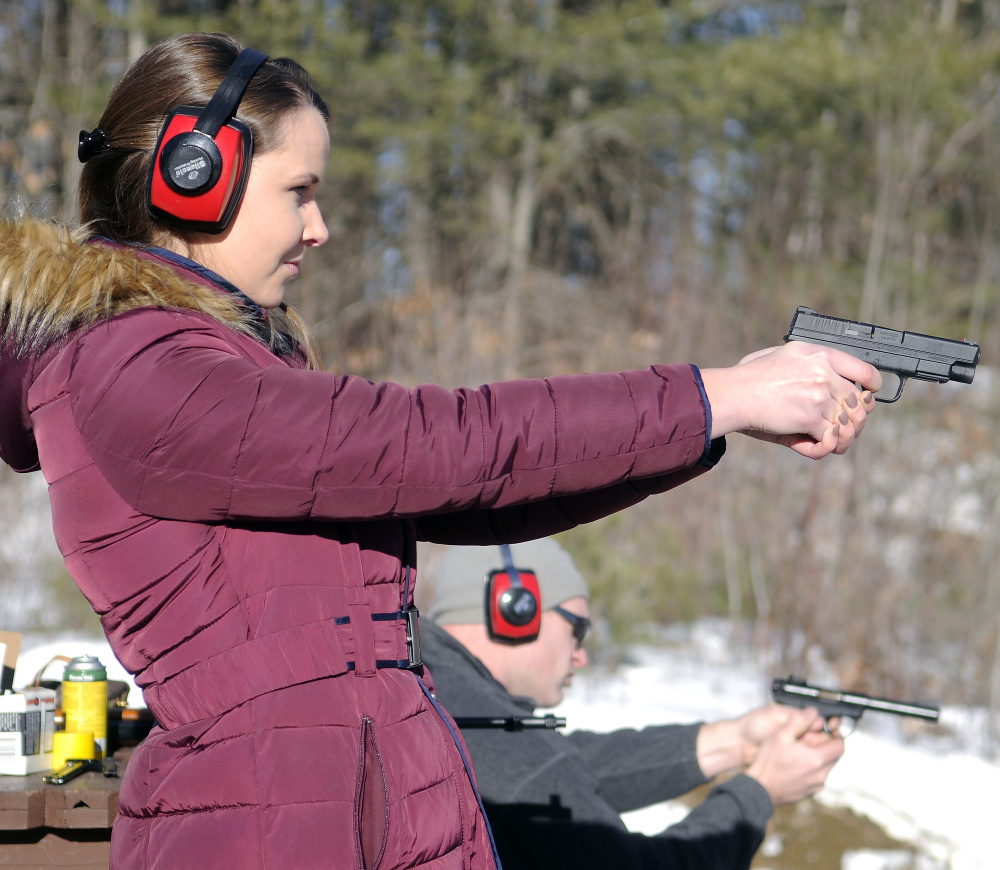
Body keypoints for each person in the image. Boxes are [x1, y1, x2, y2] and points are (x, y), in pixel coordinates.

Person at [0, 31, 878, 870]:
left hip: (331, 813)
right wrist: (713, 391)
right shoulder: (133, 362)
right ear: (195, 179)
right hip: (273, 830)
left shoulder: (192, 364)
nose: (320, 229)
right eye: (299, 191)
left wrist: (713, 417)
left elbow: (474, 489)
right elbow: (439, 443)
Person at [422, 538, 846, 870]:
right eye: (578, 630)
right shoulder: (506, 751)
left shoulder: (436, 693)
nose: (581, 655)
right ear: (517, 608)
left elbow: (570, 766)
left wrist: (732, 742)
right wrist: (759, 791)